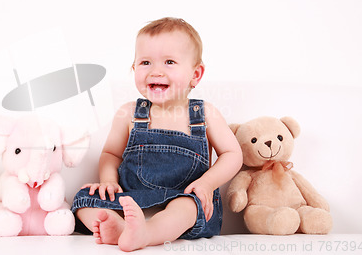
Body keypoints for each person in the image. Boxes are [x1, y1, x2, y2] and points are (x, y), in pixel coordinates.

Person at [71, 17, 243, 252]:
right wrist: (108, 181)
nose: (156, 71)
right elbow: (111, 153)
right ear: (134, 68)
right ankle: (120, 227)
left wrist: (206, 183)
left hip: (183, 201)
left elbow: (233, 154)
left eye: (169, 62)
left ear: (196, 74)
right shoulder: (130, 113)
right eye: (145, 62)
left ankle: (146, 234)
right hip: (133, 201)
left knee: (188, 207)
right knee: (83, 198)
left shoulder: (205, 114)